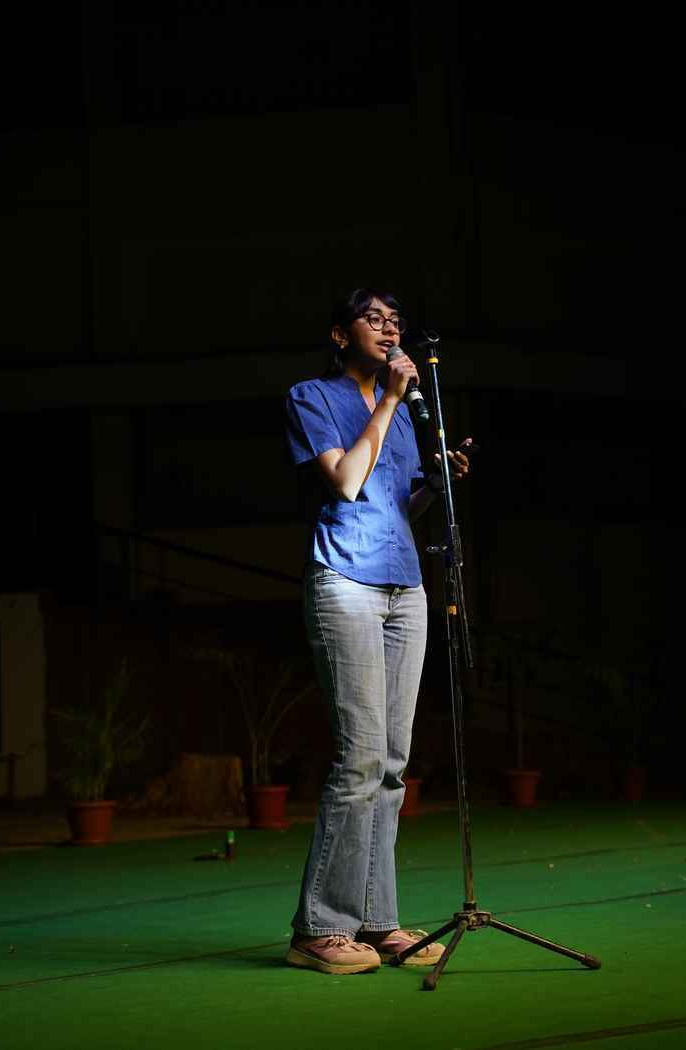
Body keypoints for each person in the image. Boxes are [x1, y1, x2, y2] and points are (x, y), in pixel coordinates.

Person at [283, 287, 469, 975]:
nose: (390, 330)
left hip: (404, 584)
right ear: (341, 335)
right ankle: (319, 928)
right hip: (345, 580)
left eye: (396, 321)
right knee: (359, 759)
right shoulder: (312, 397)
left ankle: (377, 920)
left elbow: (394, 502)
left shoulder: (405, 413)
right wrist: (389, 400)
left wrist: (436, 483)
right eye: (374, 319)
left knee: (392, 765)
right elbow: (345, 482)